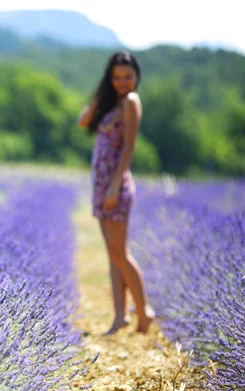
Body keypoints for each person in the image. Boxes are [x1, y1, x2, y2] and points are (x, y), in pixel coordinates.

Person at [77, 50, 155, 335]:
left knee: (120, 253)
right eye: (117, 77)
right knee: (113, 255)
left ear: (136, 77)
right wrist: (101, 96)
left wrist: (114, 184)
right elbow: (82, 122)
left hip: (115, 186)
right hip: (101, 186)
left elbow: (128, 147)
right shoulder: (113, 103)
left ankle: (143, 310)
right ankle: (121, 316)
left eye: (128, 77)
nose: (123, 82)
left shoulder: (131, 102)